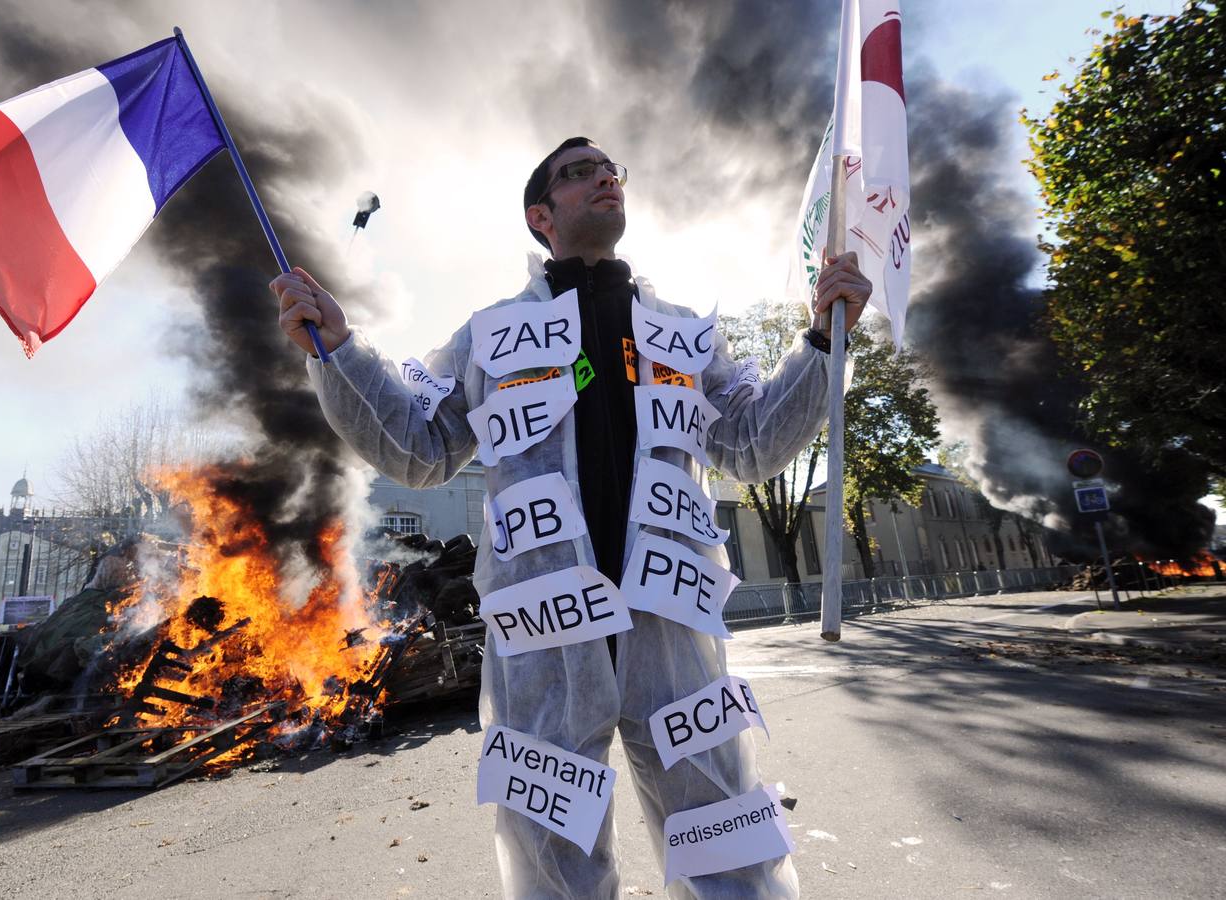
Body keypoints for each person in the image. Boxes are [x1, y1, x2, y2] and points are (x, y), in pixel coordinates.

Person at [274, 137, 869, 898]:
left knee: (725, 841)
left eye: (611, 170)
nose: (604, 178)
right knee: (555, 864)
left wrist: (824, 338)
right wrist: (338, 352)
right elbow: (420, 448)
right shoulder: (488, 334)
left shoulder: (683, 332)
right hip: (544, 637)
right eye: (578, 173)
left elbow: (752, 445)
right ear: (541, 215)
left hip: (672, 631)